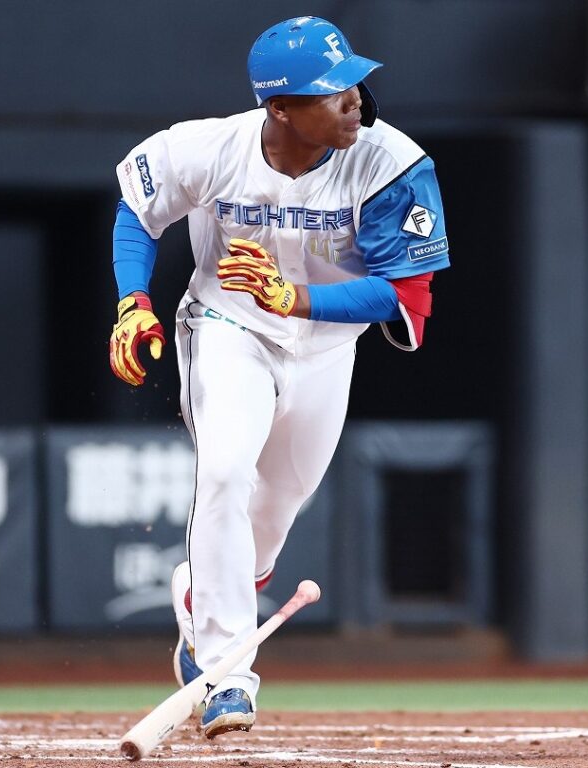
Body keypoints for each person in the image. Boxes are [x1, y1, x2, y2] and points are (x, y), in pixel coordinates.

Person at [109, 16, 450, 739]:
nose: (355, 98)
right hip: (228, 328)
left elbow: (406, 294)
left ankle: (203, 601)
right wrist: (133, 301)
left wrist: (296, 298)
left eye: (354, 80)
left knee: (278, 508)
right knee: (225, 472)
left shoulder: (391, 162)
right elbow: (138, 209)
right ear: (281, 107)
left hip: (326, 347)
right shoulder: (211, 148)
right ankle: (226, 675)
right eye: (332, 90)